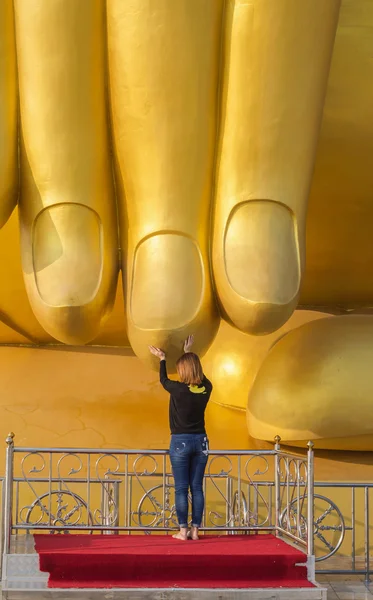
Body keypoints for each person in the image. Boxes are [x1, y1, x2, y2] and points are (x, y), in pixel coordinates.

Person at [149, 335, 212, 541]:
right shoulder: (206, 389)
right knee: (197, 487)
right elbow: (202, 378)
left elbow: (163, 379)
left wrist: (162, 358)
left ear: (183, 370)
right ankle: (195, 531)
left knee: (181, 488)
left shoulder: (178, 389)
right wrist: (188, 354)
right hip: (201, 441)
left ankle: (183, 531)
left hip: (181, 442)